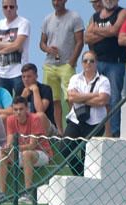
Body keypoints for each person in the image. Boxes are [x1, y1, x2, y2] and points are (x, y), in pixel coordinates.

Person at [0, 97, 53, 202]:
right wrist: (7, 148)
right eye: (15, 109)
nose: (18, 112)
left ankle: (28, 192)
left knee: (27, 153)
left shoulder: (35, 119)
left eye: (21, 109)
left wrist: (13, 147)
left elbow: (32, 145)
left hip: (42, 153)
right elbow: (10, 141)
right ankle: (2, 193)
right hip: (21, 153)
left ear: (27, 109)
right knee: (3, 153)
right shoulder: (10, 120)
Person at [86, 0, 126, 137]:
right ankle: (96, 131)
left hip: (115, 63)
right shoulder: (95, 16)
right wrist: (107, 32)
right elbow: (87, 38)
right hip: (97, 63)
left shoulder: (123, 13)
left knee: (114, 98)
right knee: (95, 97)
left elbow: (115, 30)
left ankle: (114, 132)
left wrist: (96, 31)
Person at [40, 0, 85, 131]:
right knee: (54, 100)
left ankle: (75, 127)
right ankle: (60, 132)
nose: (56, 2)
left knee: (70, 97)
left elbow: (80, 42)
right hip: (49, 65)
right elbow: (42, 43)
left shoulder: (75, 17)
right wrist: (48, 49)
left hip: (66, 65)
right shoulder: (47, 19)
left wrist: (72, 61)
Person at [63, 52, 110, 176]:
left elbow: (102, 100)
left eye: (91, 61)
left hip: (95, 122)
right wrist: (93, 95)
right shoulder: (75, 78)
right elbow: (71, 97)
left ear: (96, 63)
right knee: (64, 148)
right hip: (76, 119)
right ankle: (80, 175)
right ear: (81, 63)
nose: (88, 63)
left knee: (87, 155)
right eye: (85, 61)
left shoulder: (104, 80)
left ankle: (85, 180)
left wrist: (81, 98)